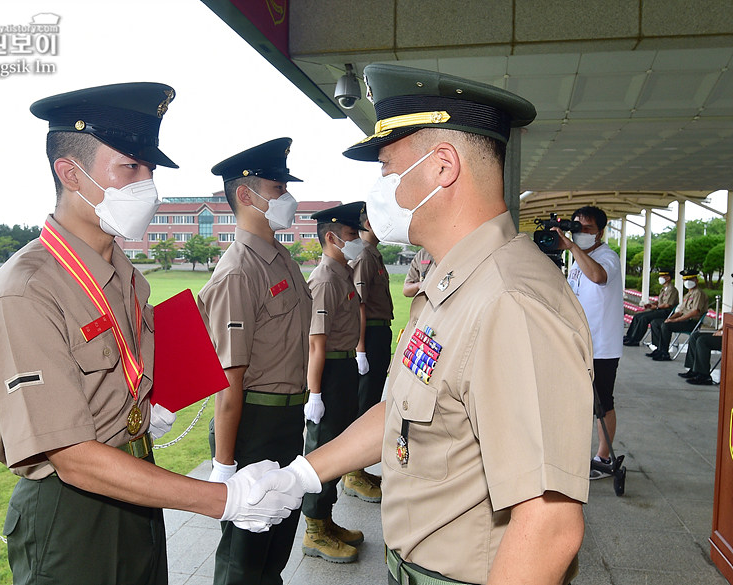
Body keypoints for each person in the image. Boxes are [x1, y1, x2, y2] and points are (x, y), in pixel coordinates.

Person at [249, 64, 593, 585]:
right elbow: (400, 412)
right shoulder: (454, 282)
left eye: (387, 168)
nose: (378, 188)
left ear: (443, 167)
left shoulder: (510, 301)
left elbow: (548, 523)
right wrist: (300, 476)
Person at [0, 83, 300, 585]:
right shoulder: (25, 295)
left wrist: (145, 409)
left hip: (137, 483)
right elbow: (72, 457)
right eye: (130, 169)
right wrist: (223, 497)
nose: (148, 185)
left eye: (151, 170)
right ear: (70, 173)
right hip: (73, 508)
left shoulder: (121, 272)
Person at [197, 138, 312, 585]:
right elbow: (230, 379)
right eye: (277, 187)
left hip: (285, 419)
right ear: (246, 195)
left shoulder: (280, 258)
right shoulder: (238, 271)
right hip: (253, 423)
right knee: (245, 553)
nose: (287, 197)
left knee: (278, 533)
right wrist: (225, 465)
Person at [302, 201, 368, 563]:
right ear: (331, 237)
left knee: (339, 448)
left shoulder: (342, 272)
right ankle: (314, 531)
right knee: (322, 452)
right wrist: (315, 393)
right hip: (328, 374)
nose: (356, 239)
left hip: (342, 370)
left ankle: (326, 520)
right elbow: (316, 341)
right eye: (350, 234)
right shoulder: (326, 278)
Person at [552, 206, 624, 481]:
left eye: (588, 229)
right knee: (576, 400)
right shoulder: (577, 260)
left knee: (603, 402)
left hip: (602, 345)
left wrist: (571, 246)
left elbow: (598, 277)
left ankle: (603, 457)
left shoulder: (608, 257)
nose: (581, 234)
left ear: (601, 232)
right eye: (577, 228)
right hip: (577, 342)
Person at [342, 204, 392, 503]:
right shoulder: (363, 255)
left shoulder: (372, 253)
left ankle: (358, 468)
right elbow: (359, 303)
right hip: (369, 333)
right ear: (369, 223)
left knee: (371, 398)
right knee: (363, 403)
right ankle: (352, 471)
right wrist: (360, 348)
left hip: (378, 331)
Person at [646, 269, 709, 361]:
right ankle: (659, 349)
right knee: (656, 322)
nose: (687, 282)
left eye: (690, 279)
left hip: (692, 322)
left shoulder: (698, 293)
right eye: (685, 280)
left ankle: (664, 353)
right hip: (683, 320)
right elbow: (680, 312)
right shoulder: (688, 294)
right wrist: (670, 318)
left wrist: (675, 320)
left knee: (666, 326)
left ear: (696, 280)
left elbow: (695, 312)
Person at [623, 269, 678, 346]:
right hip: (659, 310)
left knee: (644, 318)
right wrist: (651, 304)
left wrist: (656, 307)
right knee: (637, 316)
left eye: (662, 276)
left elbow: (667, 305)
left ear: (668, 278)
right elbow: (659, 301)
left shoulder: (672, 290)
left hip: (666, 312)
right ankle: (629, 336)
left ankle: (635, 340)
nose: (660, 278)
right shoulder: (664, 289)